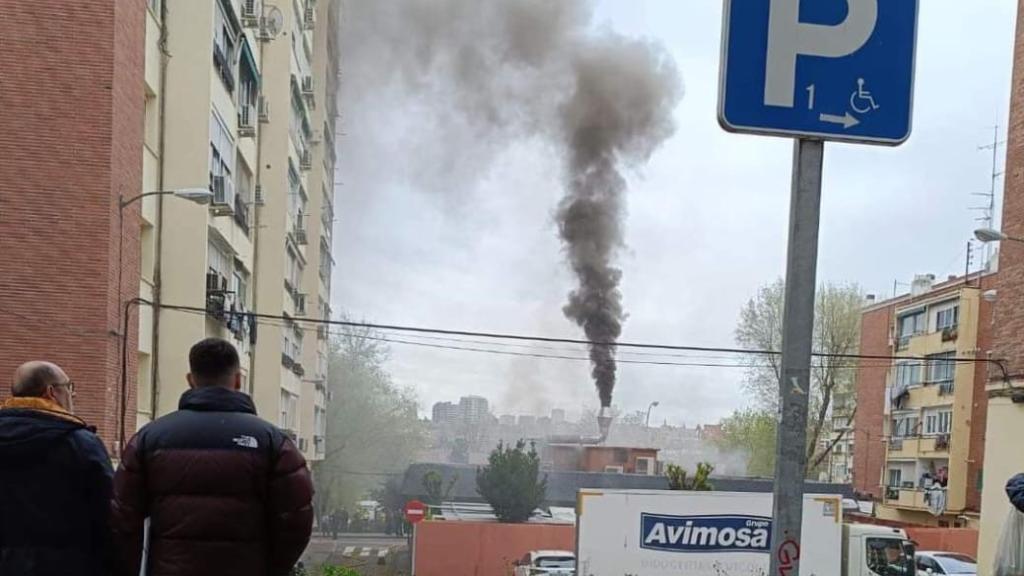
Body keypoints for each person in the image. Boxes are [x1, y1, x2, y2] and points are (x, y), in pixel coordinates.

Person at [111, 338, 314, 576]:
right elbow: (297, 521)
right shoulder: (273, 443)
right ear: (238, 380)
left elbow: (122, 519)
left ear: (190, 380)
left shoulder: (149, 439)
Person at [0, 361, 113, 576]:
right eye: (69, 387)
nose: (73, 395)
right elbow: (108, 511)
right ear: (51, 392)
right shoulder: (81, 443)